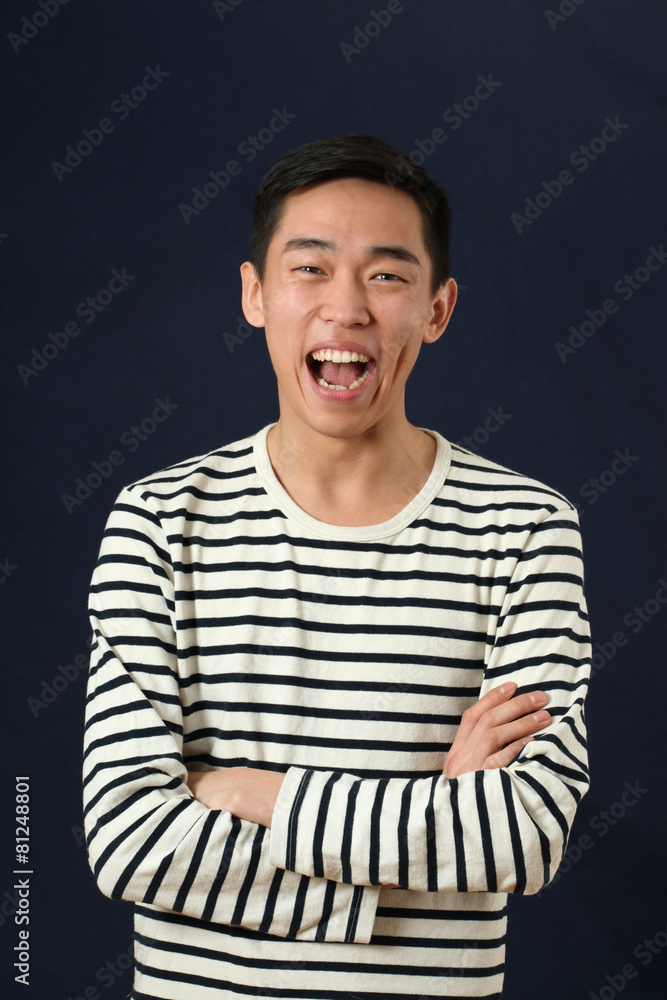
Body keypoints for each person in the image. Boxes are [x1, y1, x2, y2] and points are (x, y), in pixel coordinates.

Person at [83, 133, 591, 999]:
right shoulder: (159, 521)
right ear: (255, 296)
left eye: (387, 275)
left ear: (437, 308)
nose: (346, 308)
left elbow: (524, 836)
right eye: (309, 268)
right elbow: (131, 842)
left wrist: (245, 791)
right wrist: (432, 833)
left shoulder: (526, 526)